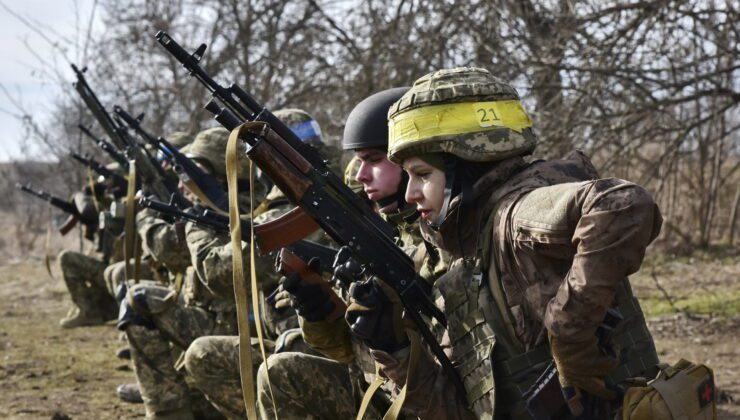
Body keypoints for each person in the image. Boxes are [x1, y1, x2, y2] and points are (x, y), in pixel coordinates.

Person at [345, 67, 662, 419]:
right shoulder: (463, 261)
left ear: (466, 166)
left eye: (422, 174)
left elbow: (622, 203)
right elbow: (460, 412)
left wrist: (569, 331)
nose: (410, 192)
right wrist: (396, 350)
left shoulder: (513, 216)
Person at [256, 88, 447, 419]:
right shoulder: (385, 233)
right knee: (279, 369)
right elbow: (349, 351)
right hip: (384, 392)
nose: (360, 175)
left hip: (426, 402)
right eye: (358, 161)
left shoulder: (444, 243)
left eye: (374, 160)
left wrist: (395, 344)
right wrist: (320, 312)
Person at [182, 109, 339, 419]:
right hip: (315, 339)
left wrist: (194, 223)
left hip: (321, 348)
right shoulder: (339, 196)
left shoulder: (288, 215)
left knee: (205, 355)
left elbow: (218, 272)